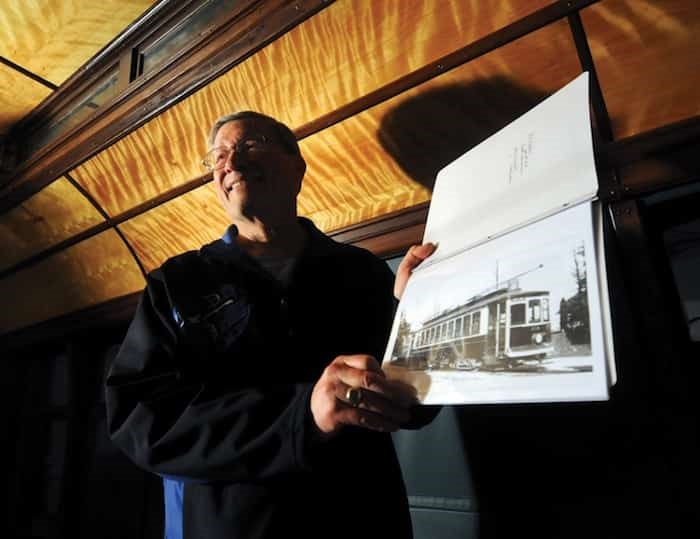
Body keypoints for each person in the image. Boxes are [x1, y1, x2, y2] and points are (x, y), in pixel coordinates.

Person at [105, 110, 436, 539]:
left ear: (297, 168)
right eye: (219, 156)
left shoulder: (363, 272)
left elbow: (413, 404)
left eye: (250, 145)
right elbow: (140, 420)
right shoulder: (177, 282)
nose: (231, 163)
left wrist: (422, 309)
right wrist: (303, 416)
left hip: (363, 516)